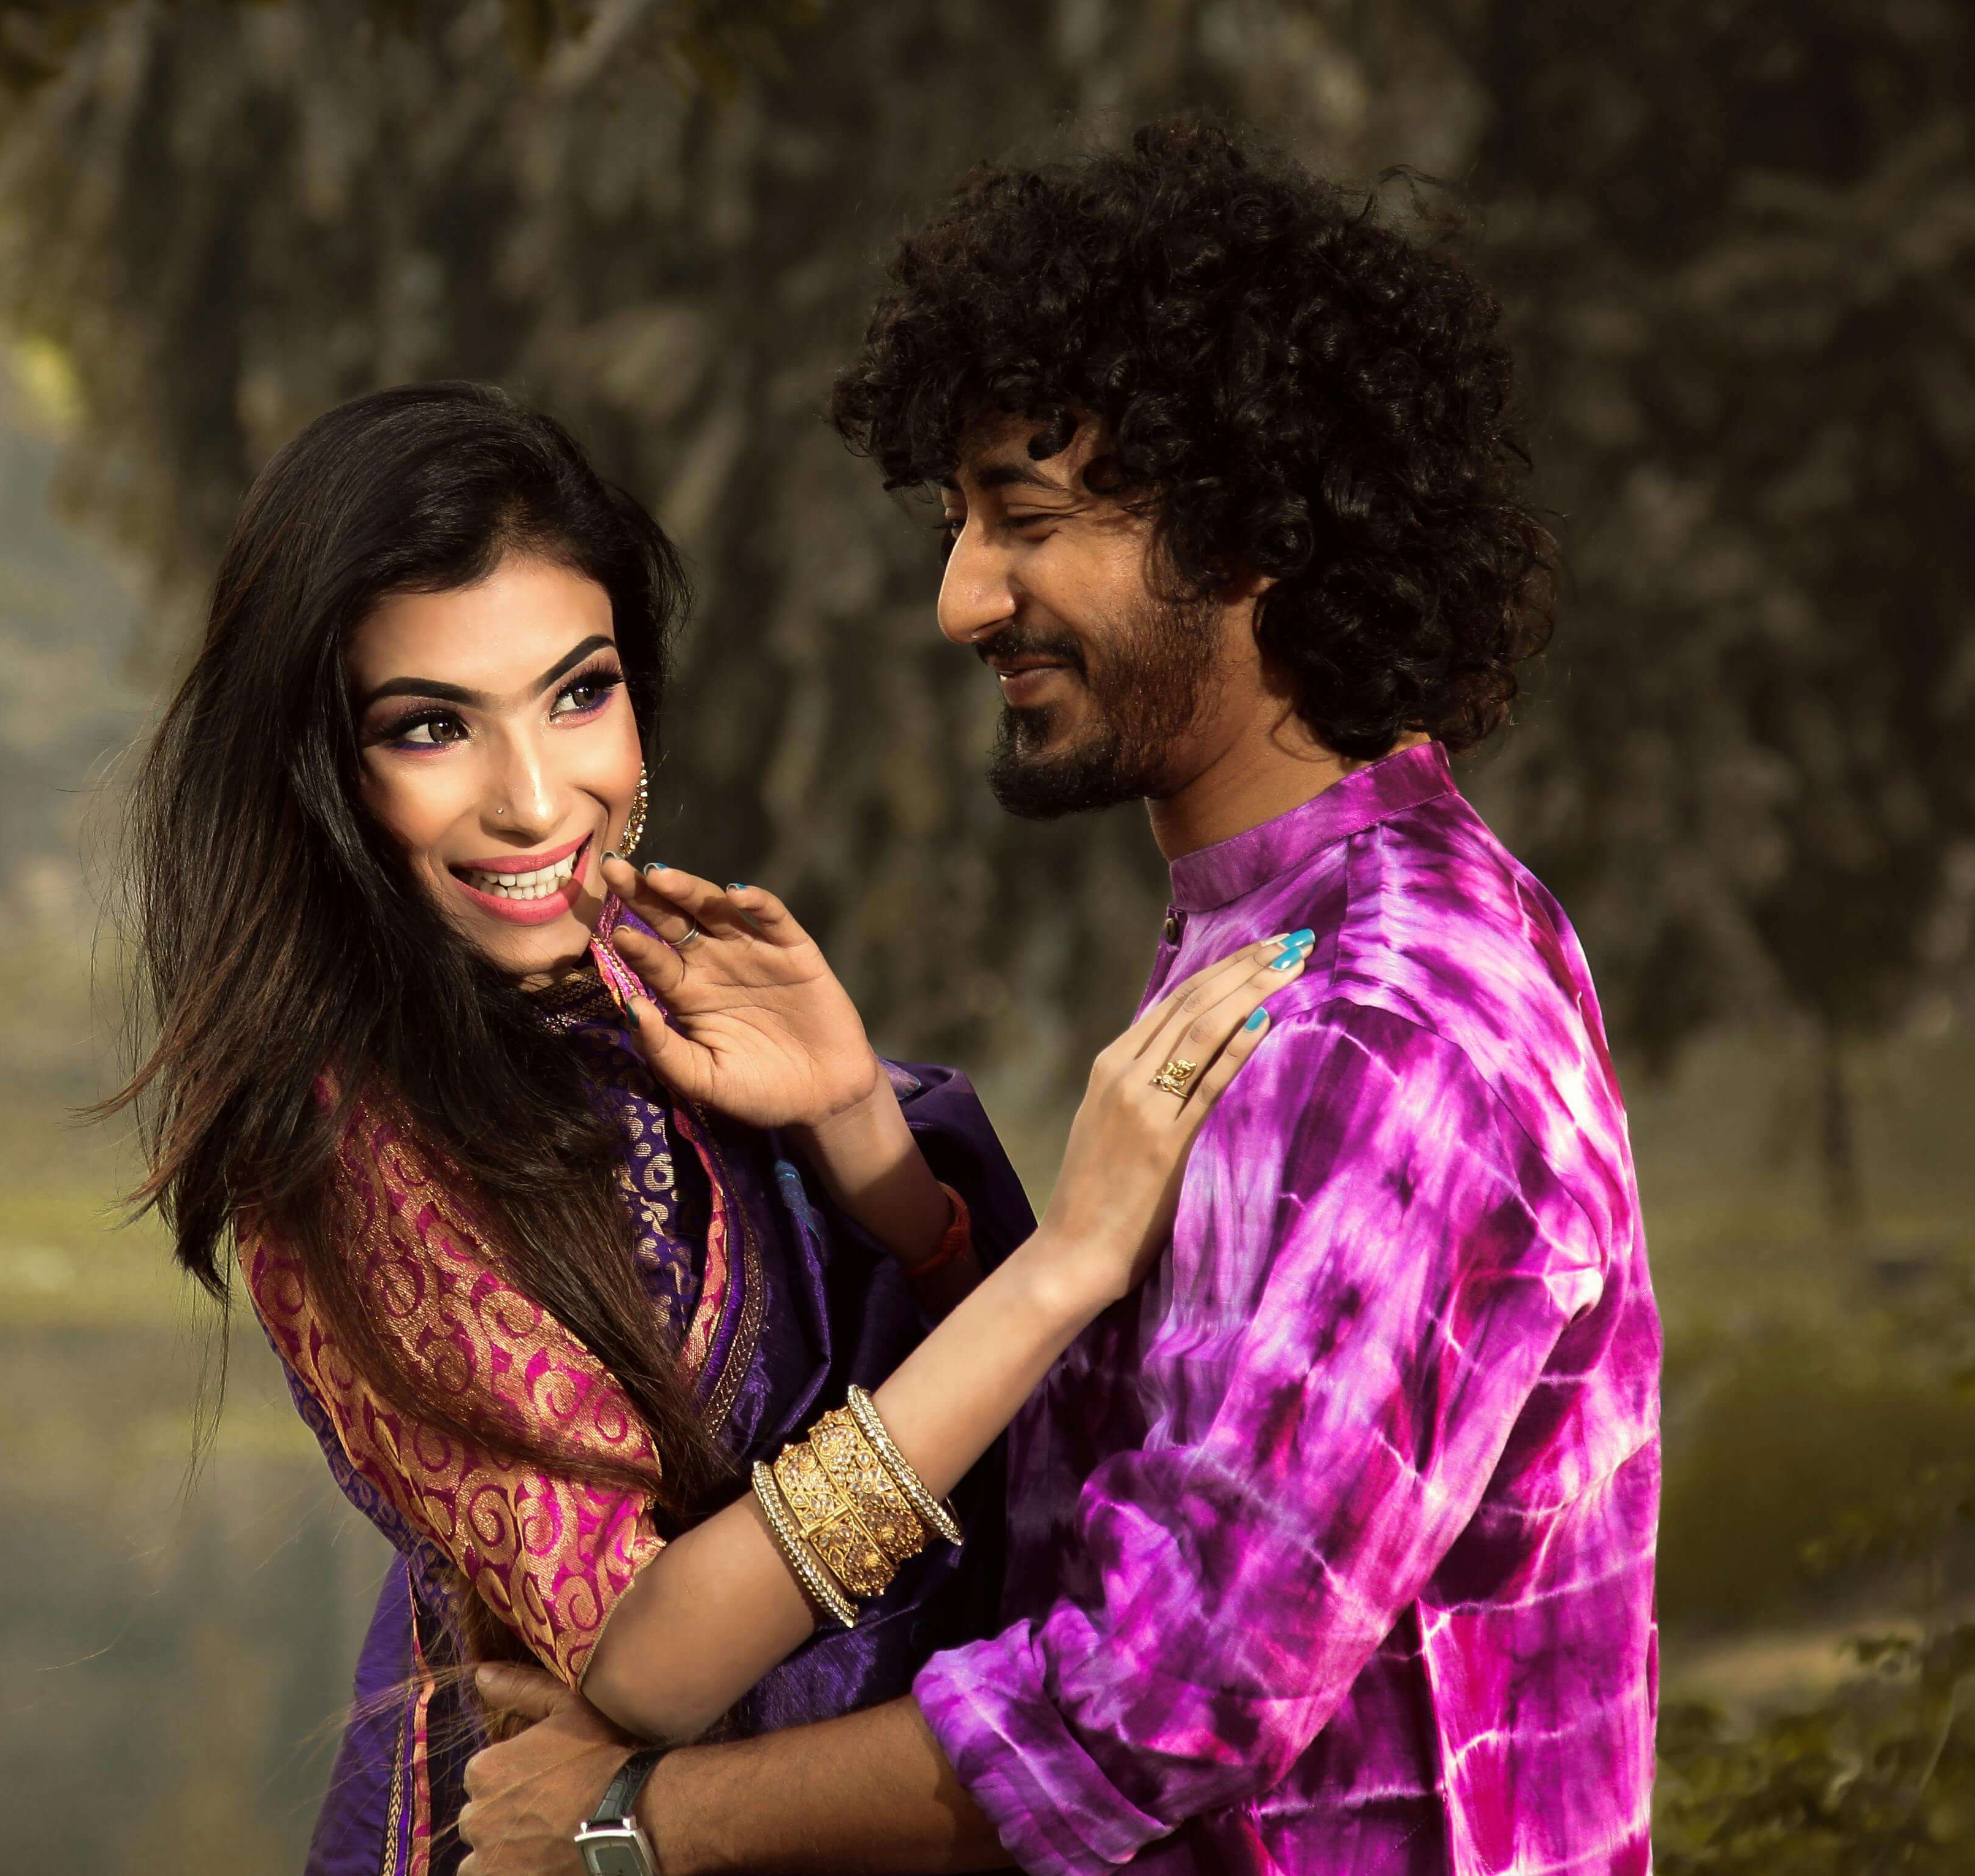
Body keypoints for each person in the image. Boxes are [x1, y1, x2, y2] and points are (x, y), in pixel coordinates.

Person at [459, 123, 1661, 1874]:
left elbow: (1153, 1706)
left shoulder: (1383, 1030)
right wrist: (872, 1142)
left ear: (1258, 527)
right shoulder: (1303, 924)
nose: (960, 599)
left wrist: (634, 1823)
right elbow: (1142, 1472)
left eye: (1024, 522)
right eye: (957, 523)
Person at [110, 381, 1305, 1876]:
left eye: (577, 691)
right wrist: (1061, 1263)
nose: (537, 800)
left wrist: (847, 1113)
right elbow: (643, 1656)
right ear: (325, 777)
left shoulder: (653, 981)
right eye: (431, 729)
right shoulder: (353, 1145)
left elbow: (944, 1380)